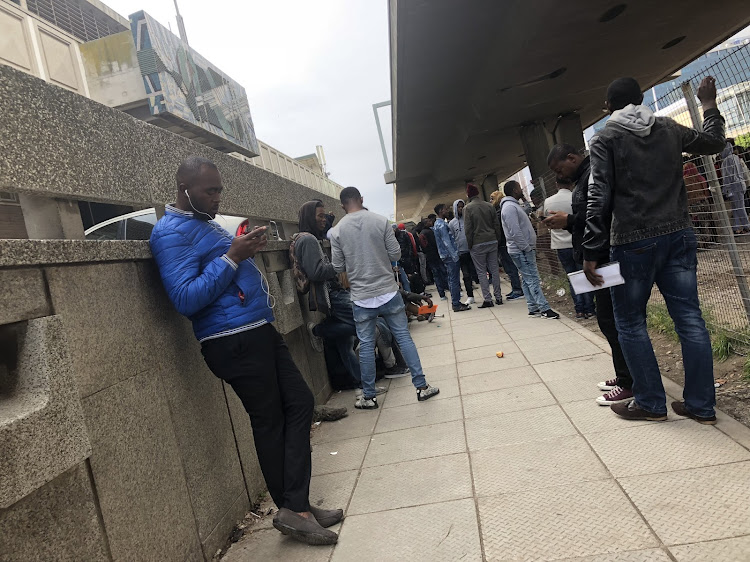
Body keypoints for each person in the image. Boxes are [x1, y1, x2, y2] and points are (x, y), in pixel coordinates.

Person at [149, 156, 341, 546]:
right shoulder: (169, 232)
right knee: (269, 419)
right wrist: (233, 256)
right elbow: (185, 298)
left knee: (301, 402)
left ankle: (295, 503)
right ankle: (295, 509)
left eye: (220, 189)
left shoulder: (203, 224)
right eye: (211, 190)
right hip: (230, 339)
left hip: (256, 329)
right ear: (184, 189)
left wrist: (241, 250)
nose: (219, 197)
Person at [583, 76, 725, 423]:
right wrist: (708, 105)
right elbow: (713, 142)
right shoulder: (669, 128)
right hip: (679, 235)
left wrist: (590, 251)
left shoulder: (605, 139)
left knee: (630, 323)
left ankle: (650, 403)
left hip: (632, 242)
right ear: (642, 98)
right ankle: (701, 406)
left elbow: (598, 195)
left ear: (608, 108)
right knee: (690, 320)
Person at [330, 186, 440, 408]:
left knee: (367, 345)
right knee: (403, 337)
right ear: (361, 199)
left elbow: (338, 265)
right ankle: (421, 386)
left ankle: (369, 397)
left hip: (361, 296)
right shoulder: (380, 221)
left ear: (342, 205)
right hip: (388, 291)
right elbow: (395, 254)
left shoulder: (336, 232)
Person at [545, 144, 634, 406]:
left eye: (560, 168)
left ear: (572, 158)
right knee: (608, 318)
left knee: (611, 319)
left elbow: (601, 214)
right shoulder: (585, 177)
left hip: (602, 258)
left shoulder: (593, 174)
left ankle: (629, 382)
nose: (560, 175)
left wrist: (570, 221)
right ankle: (623, 375)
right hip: (596, 257)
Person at [295, 201, 407, 388]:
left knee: (345, 343)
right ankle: (319, 331)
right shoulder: (307, 240)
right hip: (333, 295)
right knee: (372, 325)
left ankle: (361, 382)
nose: (324, 220)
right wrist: (343, 264)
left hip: (335, 293)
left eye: (325, 216)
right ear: (309, 217)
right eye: (320, 216)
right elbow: (315, 272)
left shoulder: (313, 237)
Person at [500, 181, 559, 319]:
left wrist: (525, 199)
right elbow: (515, 231)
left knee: (527, 279)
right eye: (520, 188)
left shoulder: (514, 205)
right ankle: (544, 308)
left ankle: (533, 308)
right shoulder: (509, 207)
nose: (522, 190)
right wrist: (525, 247)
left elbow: (527, 210)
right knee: (532, 278)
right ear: (515, 190)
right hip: (521, 250)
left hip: (522, 249)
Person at [543, 177, 595, 319]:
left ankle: (579, 309)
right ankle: (590, 308)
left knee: (572, 277)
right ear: (571, 183)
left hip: (560, 244)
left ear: (556, 185)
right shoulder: (575, 197)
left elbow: (548, 221)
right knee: (585, 275)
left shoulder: (548, 201)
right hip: (578, 242)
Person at [463, 183, 504, 307]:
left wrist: (469, 244)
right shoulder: (489, 206)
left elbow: (468, 229)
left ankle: (488, 299)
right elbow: (496, 224)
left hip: (477, 243)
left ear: (468, 195)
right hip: (492, 240)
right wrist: (497, 238)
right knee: (494, 270)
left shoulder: (468, 208)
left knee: (481, 272)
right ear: (478, 193)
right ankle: (499, 297)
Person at [433, 203, 471, 312]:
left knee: (451, 279)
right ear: (441, 211)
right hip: (450, 256)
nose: (447, 211)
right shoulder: (441, 225)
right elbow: (447, 241)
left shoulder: (437, 224)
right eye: (445, 209)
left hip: (445, 255)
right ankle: (456, 303)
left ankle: (456, 302)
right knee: (454, 280)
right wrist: (454, 255)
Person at [490, 190, 524, 300]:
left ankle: (517, 289)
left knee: (510, 267)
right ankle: (515, 288)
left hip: (504, 243)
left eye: (492, 198)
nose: (490, 201)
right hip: (503, 243)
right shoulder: (499, 211)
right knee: (508, 267)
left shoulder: (499, 213)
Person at [448, 199, 477, 305]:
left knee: (478, 273)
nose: (461, 209)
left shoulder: (469, 219)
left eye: (462, 206)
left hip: (473, 250)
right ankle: (470, 295)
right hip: (461, 252)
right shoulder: (451, 223)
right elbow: (451, 238)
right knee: (466, 275)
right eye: (458, 207)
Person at [721, 141, 750, 234]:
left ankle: (747, 226)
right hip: (741, 183)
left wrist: (726, 189)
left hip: (734, 186)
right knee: (736, 207)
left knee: (739, 207)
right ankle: (736, 227)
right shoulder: (736, 158)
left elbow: (727, 176)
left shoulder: (726, 161)